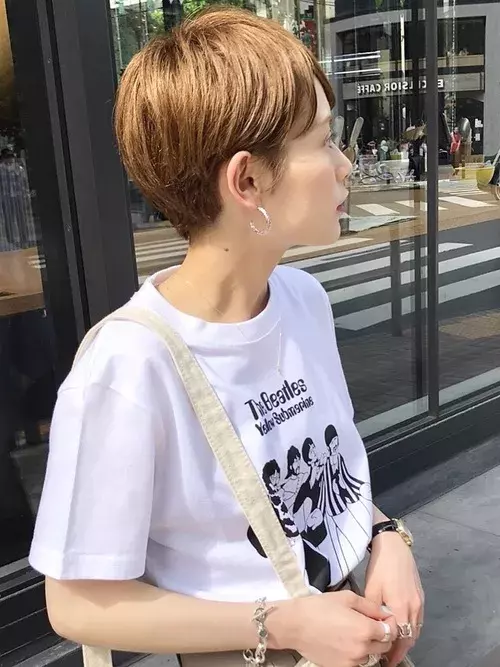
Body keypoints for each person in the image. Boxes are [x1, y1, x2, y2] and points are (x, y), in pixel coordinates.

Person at [29, 8, 423, 667]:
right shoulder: (127, 367)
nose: (345, 164)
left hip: (350, 631)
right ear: (247, 181)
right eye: (324, 141)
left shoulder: (303, 301)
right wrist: (285, 625)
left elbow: (322, 484)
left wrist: (387, 538)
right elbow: (76, 603)